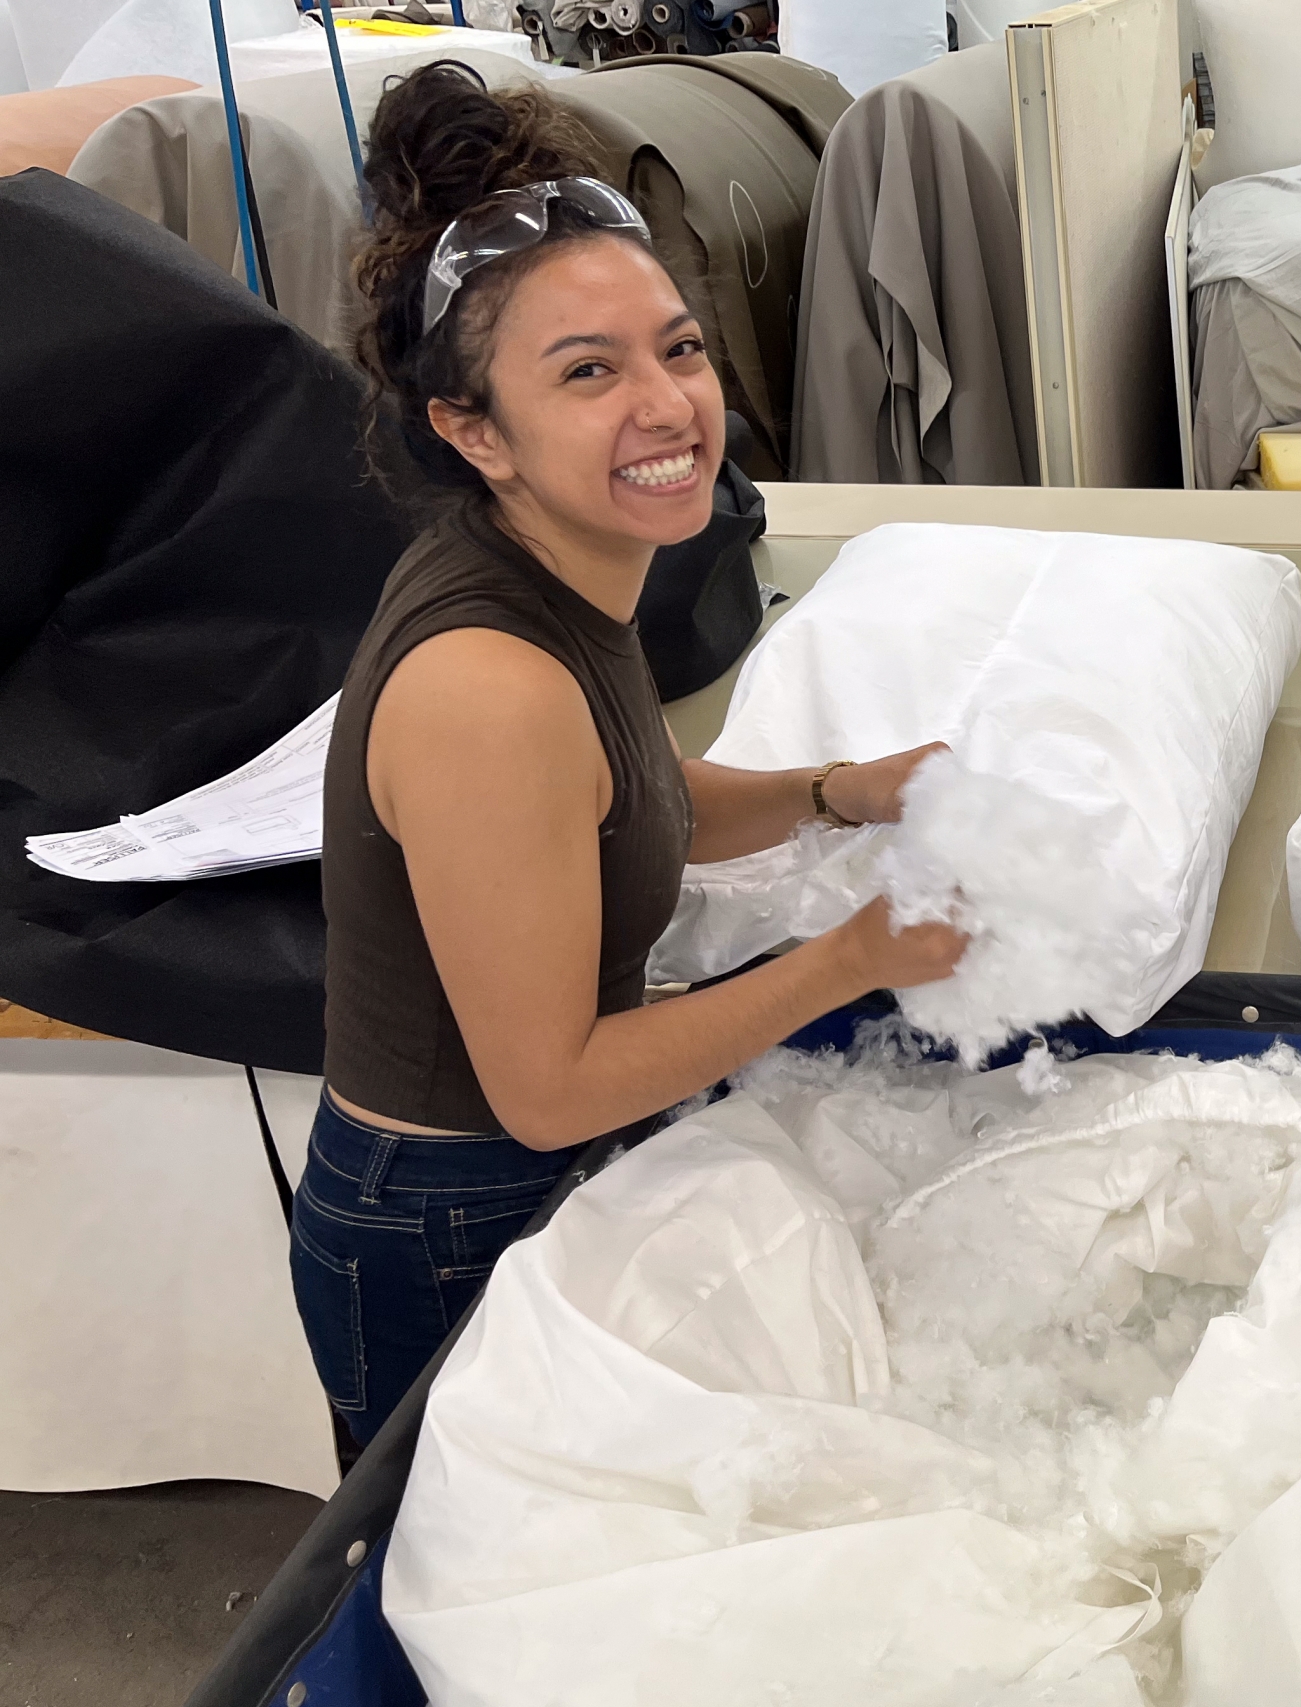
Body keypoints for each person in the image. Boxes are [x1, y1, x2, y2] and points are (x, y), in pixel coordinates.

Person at [289, 62, 968, 1448]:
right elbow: (549, 1089)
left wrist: (835, 797)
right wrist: (848, 960)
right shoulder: (490, 682)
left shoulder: (567, 565)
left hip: (508, 1174)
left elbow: (627, 799)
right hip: (447, 1218)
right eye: (588, 373)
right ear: (473, 430)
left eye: (681, 348)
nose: (668, 407)